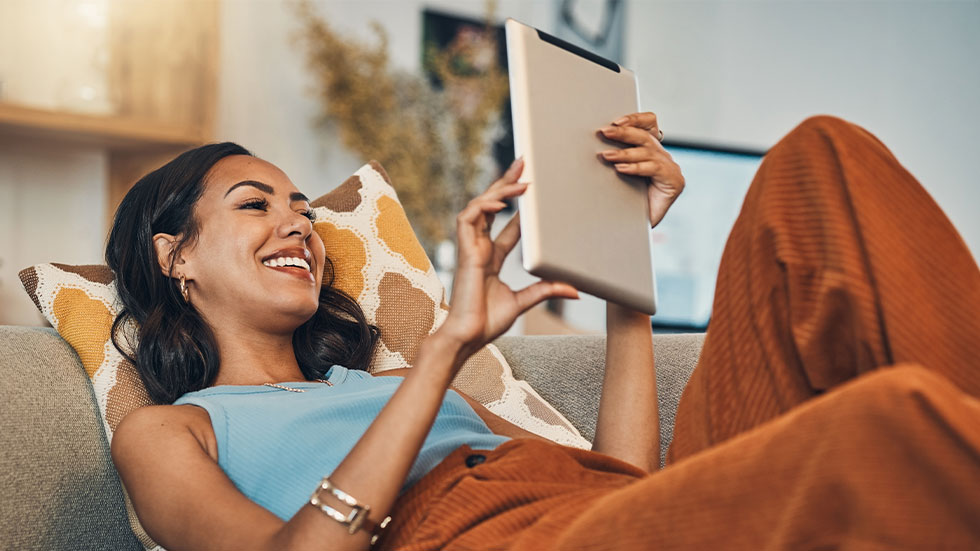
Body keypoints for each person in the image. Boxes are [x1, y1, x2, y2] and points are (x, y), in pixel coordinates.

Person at [107, 113, 980, 551]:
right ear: (175, 256)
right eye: (255, 205)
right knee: (887, 428)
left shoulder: (373, 387)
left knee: (820, 160)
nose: (297, 226)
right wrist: (445, 345)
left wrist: (622, 271)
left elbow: (623, 484)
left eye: (302, 209)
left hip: (603, 515)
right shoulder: (173, 429)